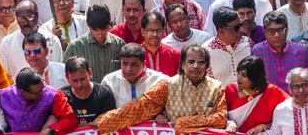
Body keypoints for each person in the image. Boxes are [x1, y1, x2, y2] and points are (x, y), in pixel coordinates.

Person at [94, 44, 227, 133]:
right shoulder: (168, 85)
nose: (196, 66)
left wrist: (183, 122)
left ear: (207, 65)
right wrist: (99, 124)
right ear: (182, 64)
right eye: (191, 62)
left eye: (201, 62)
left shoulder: (216, 87)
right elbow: (139, 108)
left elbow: (221, 119)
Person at [0, 67, 79, 134]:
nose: (42, 93)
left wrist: (52, 130)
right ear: (23, 91)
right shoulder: (2, 96)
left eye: (42, 88)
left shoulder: (52, 94)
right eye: (37, 93)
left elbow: (71, 119)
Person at [0, 0, 63, 78]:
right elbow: (4, 76)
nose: (25, 23)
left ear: (37, 16)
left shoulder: (52, 40)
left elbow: (56, 71)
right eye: (21, 18)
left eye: (29, 17)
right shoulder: (7, 43)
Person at [224, 56, 289, 134]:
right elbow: (221, 115)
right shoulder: (230, 89)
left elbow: (288, 115)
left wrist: (264, 126)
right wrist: (229, 123)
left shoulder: (271, 91)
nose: (239, 77)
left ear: (255, 77)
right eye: (238, 73)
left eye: (244, 75)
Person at [252, 11, 308, 93]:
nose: (276, 35)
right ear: (264, 32)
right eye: (271, 31)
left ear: (286, 30)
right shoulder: (257, 52)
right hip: (269, 102)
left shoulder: (301, 51)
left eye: (280, 30)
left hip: (296, 101)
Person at [63, 5, 125, 83]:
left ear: (109, 24)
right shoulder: (75, 47)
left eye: (103, 29)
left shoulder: (118, 44)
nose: (100, 33)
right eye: (95, 30)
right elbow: (64, 73)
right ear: (88, 25)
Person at [269, 68, 308, 135]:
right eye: (296, 87)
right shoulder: (281, 109)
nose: (301, 90)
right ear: (290, 88)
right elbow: (274, 132)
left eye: (304, 85)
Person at [100, 42, 166, 107]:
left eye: (133, 65)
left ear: (144, 64)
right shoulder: (109, 81)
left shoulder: (159, 80)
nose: (128, 69)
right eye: (125, 64)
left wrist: (162, 115)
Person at [60, 57, 116, 126]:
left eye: (82, 79)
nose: (79, 84)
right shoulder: (62, 97)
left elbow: (111, 122)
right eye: (74, 81)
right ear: (67, 78)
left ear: (90, 73)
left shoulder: (105, 94)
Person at [204, 7, 252, 86]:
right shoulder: (206, 52)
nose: (241, 30)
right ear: (221, 30)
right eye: (236, 28)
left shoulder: (248, 43)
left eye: (240, 24)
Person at [140, 12, 181, 77]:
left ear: (163, 31)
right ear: (142, 31)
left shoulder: (175, 55)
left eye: (158, 30)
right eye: (150, 30)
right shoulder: (135, 55)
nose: (154, 34)